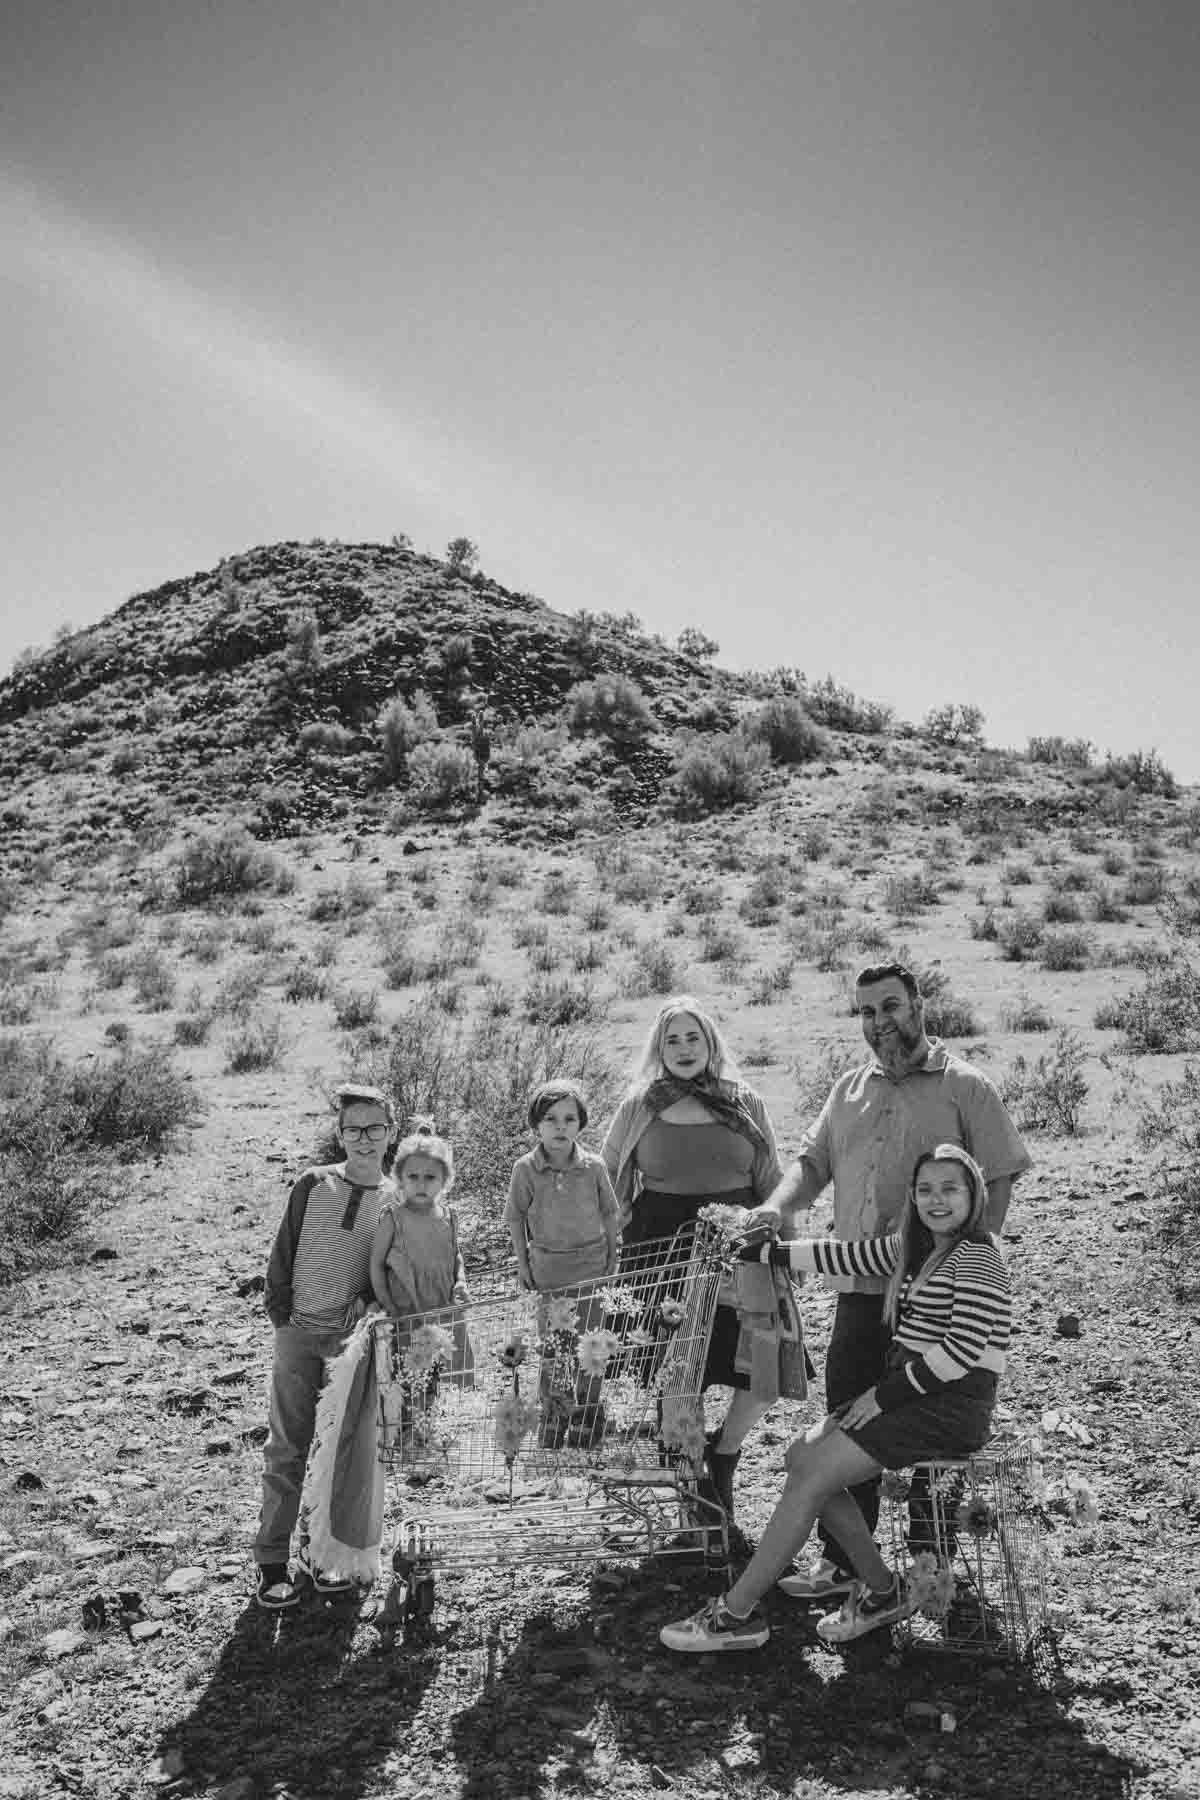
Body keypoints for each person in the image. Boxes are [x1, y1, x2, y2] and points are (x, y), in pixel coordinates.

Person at [742, 961, 1031, 1602]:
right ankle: (850, 1566)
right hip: (863, 1289)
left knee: (923, 1425)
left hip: (934, 1299)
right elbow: (811, 1163)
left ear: (918, 1004)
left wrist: (966, 1261)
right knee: (848, 1417)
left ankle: (930, 1570)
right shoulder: (848, 1089)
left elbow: (1002, 1173)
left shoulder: (965, 1086)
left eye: (891, 1006)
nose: (880, 1022)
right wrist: (775, 1213)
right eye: (868, 1011)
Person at [660, 1143, 1010, 1652]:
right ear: (912, 1196)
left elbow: (960, 1352)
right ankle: (885, 1591)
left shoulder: (978, 1256)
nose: (937, 1200)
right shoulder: (916, 1246)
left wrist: (883, 1397)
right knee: (800, 1455)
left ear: (973, 1194)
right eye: (926, 1189)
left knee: (814, 1477)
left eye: (950, 1189)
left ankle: (734, 1614)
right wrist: (766, 1251)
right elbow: (843, 1254)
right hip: (908, 1394)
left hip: (950, 1405)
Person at [601, 996, 786, 1533]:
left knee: (762, 1366)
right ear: (658, 1050)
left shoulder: (743, 1098)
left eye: (692, 1038)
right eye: (671, 1040)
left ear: (711, 1043)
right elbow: (610, 1170)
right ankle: (694, 1496)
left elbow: (772, 1174)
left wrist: (786, 1242)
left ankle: (724, 1452)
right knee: (674, 1371)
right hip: (660, 1245)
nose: (683, 1050)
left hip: (738, 1244)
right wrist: (610, 1236)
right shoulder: (642, 1103)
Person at [253, 1082, 397, 1609]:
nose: (364, 1138)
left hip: (347, 1342)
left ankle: (318, 1556)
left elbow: (385, 1270)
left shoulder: (394, 1199)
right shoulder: (313, 1184)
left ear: (390, 1134)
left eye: (374, 1128)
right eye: (353, 1129)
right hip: (298, 1332)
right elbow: (283, 1251)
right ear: (340, 1134)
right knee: (288, 1443)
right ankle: (272, 1562)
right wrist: (281, 1314)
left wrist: (367, 1301)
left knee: (334, 1450)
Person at [504, 1078, 621, 1446]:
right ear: (536, 1125)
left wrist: (613, 1256)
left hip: (591, 1267)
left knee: (593, 1344)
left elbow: (610, 1214)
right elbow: (515, 1218)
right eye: (551, 1118)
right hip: (548, 1271)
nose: (560, 1126)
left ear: (581, 1124)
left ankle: (587, 1414)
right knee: (555, 1347)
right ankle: (554, 1416)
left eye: (569, 1119)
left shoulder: (593, 1166)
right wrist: (523, 1264)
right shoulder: (526, 1169)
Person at [369, 1118, 473, 1391]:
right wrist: (388, 1304)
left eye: (430, 1178)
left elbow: (455, 1256)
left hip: (442, 1308)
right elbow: (377, 1264)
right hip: (408, 1311)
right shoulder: (393, 1218)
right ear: (400, 1178)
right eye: (413, 1177)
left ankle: (427, 1429)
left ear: (445, 1181)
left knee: (436, 1376)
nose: (421, 1184)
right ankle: (410, 1430)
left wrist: (460, 1281)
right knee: (410, 1378)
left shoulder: (449, 1217)